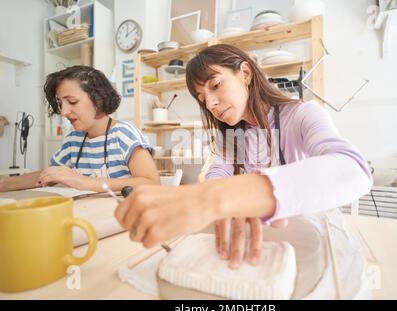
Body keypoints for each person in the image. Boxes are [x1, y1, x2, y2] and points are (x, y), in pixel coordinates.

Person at [114, 44, 373, 269]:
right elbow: (219, 171)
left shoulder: (303, 114)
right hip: (266, 239)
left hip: (312, 239)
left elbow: (353, 170)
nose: (211, 104)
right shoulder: (233, 135)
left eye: (216, 85)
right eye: (202, 99)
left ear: (245, 73)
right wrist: (219, 198)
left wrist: (220, 198)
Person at [0, 65, 159, 192]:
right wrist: (5, 184)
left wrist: (86, 182)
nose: (63, 112)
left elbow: (151, 182)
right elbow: (49, 175)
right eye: (61, 104)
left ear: (99, 100)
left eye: (73, 102)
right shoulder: (73, 139)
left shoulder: (124, 135)